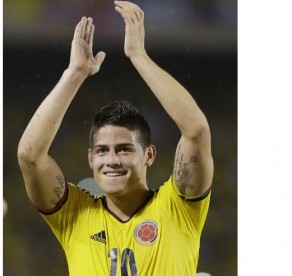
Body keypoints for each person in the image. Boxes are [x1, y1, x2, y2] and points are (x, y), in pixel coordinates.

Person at [17, 1, 214, 275]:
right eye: (101, 151)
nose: (111, 160)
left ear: (149, 155)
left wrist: (138, 56)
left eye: (123, 149)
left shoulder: (177, 208)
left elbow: (196, 131)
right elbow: (30, 156)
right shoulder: (74, 215)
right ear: (90, 158)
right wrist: (75, 73)